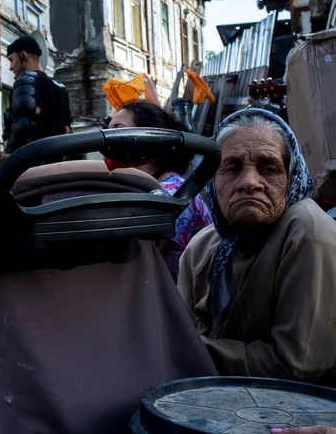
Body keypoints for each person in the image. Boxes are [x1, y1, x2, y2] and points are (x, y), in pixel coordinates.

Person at [177, 109, 336, 385]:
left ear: (291, 177)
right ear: (212, 182)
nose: (250, 183)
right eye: (232, 167)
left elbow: (297, 365)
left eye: (269, 168)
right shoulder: (201, 247)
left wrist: (188, 350)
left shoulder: (307, 229)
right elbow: (178, 331)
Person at [107, 101, 213, 280]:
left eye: (118, 129)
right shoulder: (151, 187)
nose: (106, 140)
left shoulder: (172, 193)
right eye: (107, 129)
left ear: (150, 139)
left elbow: (142, 265)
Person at [3, 35, 71, 155]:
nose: (10, 67)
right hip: (57, 160)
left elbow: (23, 128)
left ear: (23, 55)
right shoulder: (59, 87)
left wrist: (6, 161)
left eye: (11, 60)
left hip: (31, 162)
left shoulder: (26, 82)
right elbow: (66, 130)